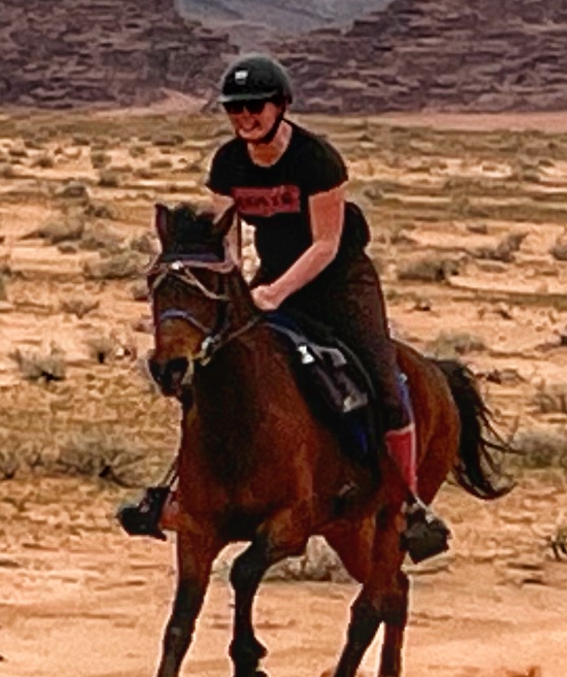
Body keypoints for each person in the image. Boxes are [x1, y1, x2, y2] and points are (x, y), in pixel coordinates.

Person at [119, 52, 449, 563]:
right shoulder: (229, 162)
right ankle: (181, 491)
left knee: (385, 385)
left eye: (255, 106)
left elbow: (324, 245)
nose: (245, 117)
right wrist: (218, 287)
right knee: (215, 370)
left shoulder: (316, 160)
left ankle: (408, 505)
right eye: (236, 109)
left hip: (341, 284)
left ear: (281, 107)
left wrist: (273, 294)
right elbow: (221, 235)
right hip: (270, 277)